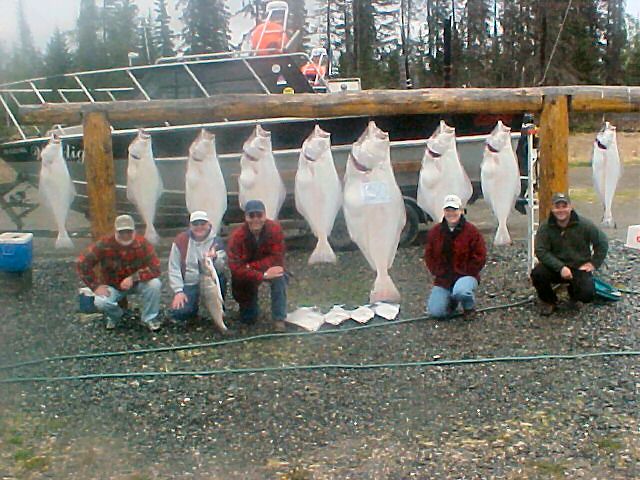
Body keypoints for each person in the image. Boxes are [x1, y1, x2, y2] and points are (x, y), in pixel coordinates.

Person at [77, 214, 162, 331]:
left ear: (134, 231)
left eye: (128, 231)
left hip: (137, 283)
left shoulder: (143, 243)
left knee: (155, 284)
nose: (125, 235)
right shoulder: (104, 244)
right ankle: (116, 316)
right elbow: (82, 263)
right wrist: (95, 286)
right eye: (122, 232)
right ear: (116, 231)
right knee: (100, 301)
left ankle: (149, 318)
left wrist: (134, 278)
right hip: (113, 286)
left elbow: (156, 267)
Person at [531, 192, 608, 315]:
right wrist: (560, 267)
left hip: (579, 267)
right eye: (557, 207)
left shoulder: (585, 224)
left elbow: (602, 242)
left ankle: (574, 294)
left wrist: (594, 263)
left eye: (564, 206)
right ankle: (549, 301)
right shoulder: (545, 227)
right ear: (552, 208)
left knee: (587, 295)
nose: (561, 210)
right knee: (537, 274)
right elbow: (540, 250)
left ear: (570, 207)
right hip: (555, 268)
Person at [227, 199, 288, 332]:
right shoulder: (236, 237)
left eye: (259, 215)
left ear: (265, 216)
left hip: (261, 268)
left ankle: (279, 318)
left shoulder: (275, 229)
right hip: (248, 274)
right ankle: (246, 308)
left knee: (279, 276)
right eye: (251, 215)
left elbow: (277, 257)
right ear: (245, 218)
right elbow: (236, 268)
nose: (256, 219)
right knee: (249, 319)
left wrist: (251, 267)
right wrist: (261, 274)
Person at [424, 194, 487, 319]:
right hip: (444, 279)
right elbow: (429, 256)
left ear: (461, 211)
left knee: (461, 291)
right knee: (436, 312)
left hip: (466, 275)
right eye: (448, 210)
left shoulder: (472, 231)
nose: (451, 213)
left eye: (454, 210)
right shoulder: (435, 232)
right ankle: (451, 300)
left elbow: (480, 256)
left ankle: (469, 307)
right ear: (443, 211)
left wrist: (467, 271)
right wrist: (438, 272)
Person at [168, 211, 227, 325]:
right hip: (190, 283)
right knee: (180, 313)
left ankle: (218, 311)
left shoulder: (216, 241)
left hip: (209, 281)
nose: (199, 227)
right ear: (190, 226)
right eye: (196, 224)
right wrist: (178, 291)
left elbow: (221, 267)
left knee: (221, 279)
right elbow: (174, 268)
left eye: (202, 223)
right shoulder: (180, 240)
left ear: (209, 224)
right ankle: (192, 308)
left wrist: (215, 258)